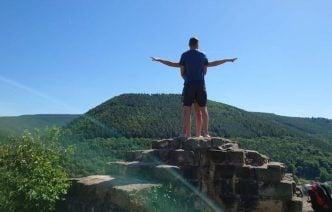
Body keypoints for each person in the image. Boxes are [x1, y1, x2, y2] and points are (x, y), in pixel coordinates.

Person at [152, 37, 237, 138]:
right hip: (200, 84)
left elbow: (174, 65)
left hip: (189, 84)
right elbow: (208, 67)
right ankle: (204, 134)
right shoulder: (202, 55)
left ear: (189, 44)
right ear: (197, 44)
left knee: (187, 110)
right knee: (202, 111)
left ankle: (185, 134)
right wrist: (227, 60)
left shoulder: (185, 55)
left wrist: (159, 60)